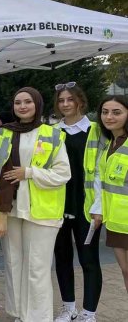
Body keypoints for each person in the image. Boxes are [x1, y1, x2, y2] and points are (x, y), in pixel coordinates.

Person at [0, 87, 71, 322]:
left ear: (37, 105)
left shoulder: (52, 134)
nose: (22, 106)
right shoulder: (2, 134)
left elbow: (63, 174)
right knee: (13, 264)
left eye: (28, 102)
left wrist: (29, 173)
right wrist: (0, 211)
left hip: (42, 212)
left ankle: (39, 318)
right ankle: (20, 314)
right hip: (10, 210)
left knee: (37, 269)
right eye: (18, 102)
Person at [52, 83, 102, 322]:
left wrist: (99, 206)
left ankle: (88, 313)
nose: (65, 104)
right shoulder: (51, 132)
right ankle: (68, 308)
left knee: (88, 259)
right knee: (62, 259)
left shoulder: (96, 130)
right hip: (59, 206)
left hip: (86, 206)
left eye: (70, 100)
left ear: (80, 101)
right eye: (61, 100)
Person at [89, 95, 128, 294]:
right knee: (125, 271)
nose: (109, 117)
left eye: (116, 112)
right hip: (116, 222)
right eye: (105, 112)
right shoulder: (110, 144)